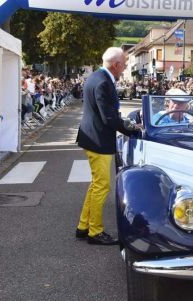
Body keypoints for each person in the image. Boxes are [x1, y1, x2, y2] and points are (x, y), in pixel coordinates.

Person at [76, 47, 140, 245]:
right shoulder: (103, 82)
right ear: (116, 65)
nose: (126, 67)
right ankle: (95, 232)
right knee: (102, 187)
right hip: (98, 140)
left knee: (95, 185)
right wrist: (131, 129)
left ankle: (83, 226)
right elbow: (109, 117)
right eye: (125, 64)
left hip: (93, 137)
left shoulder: (96, 77)